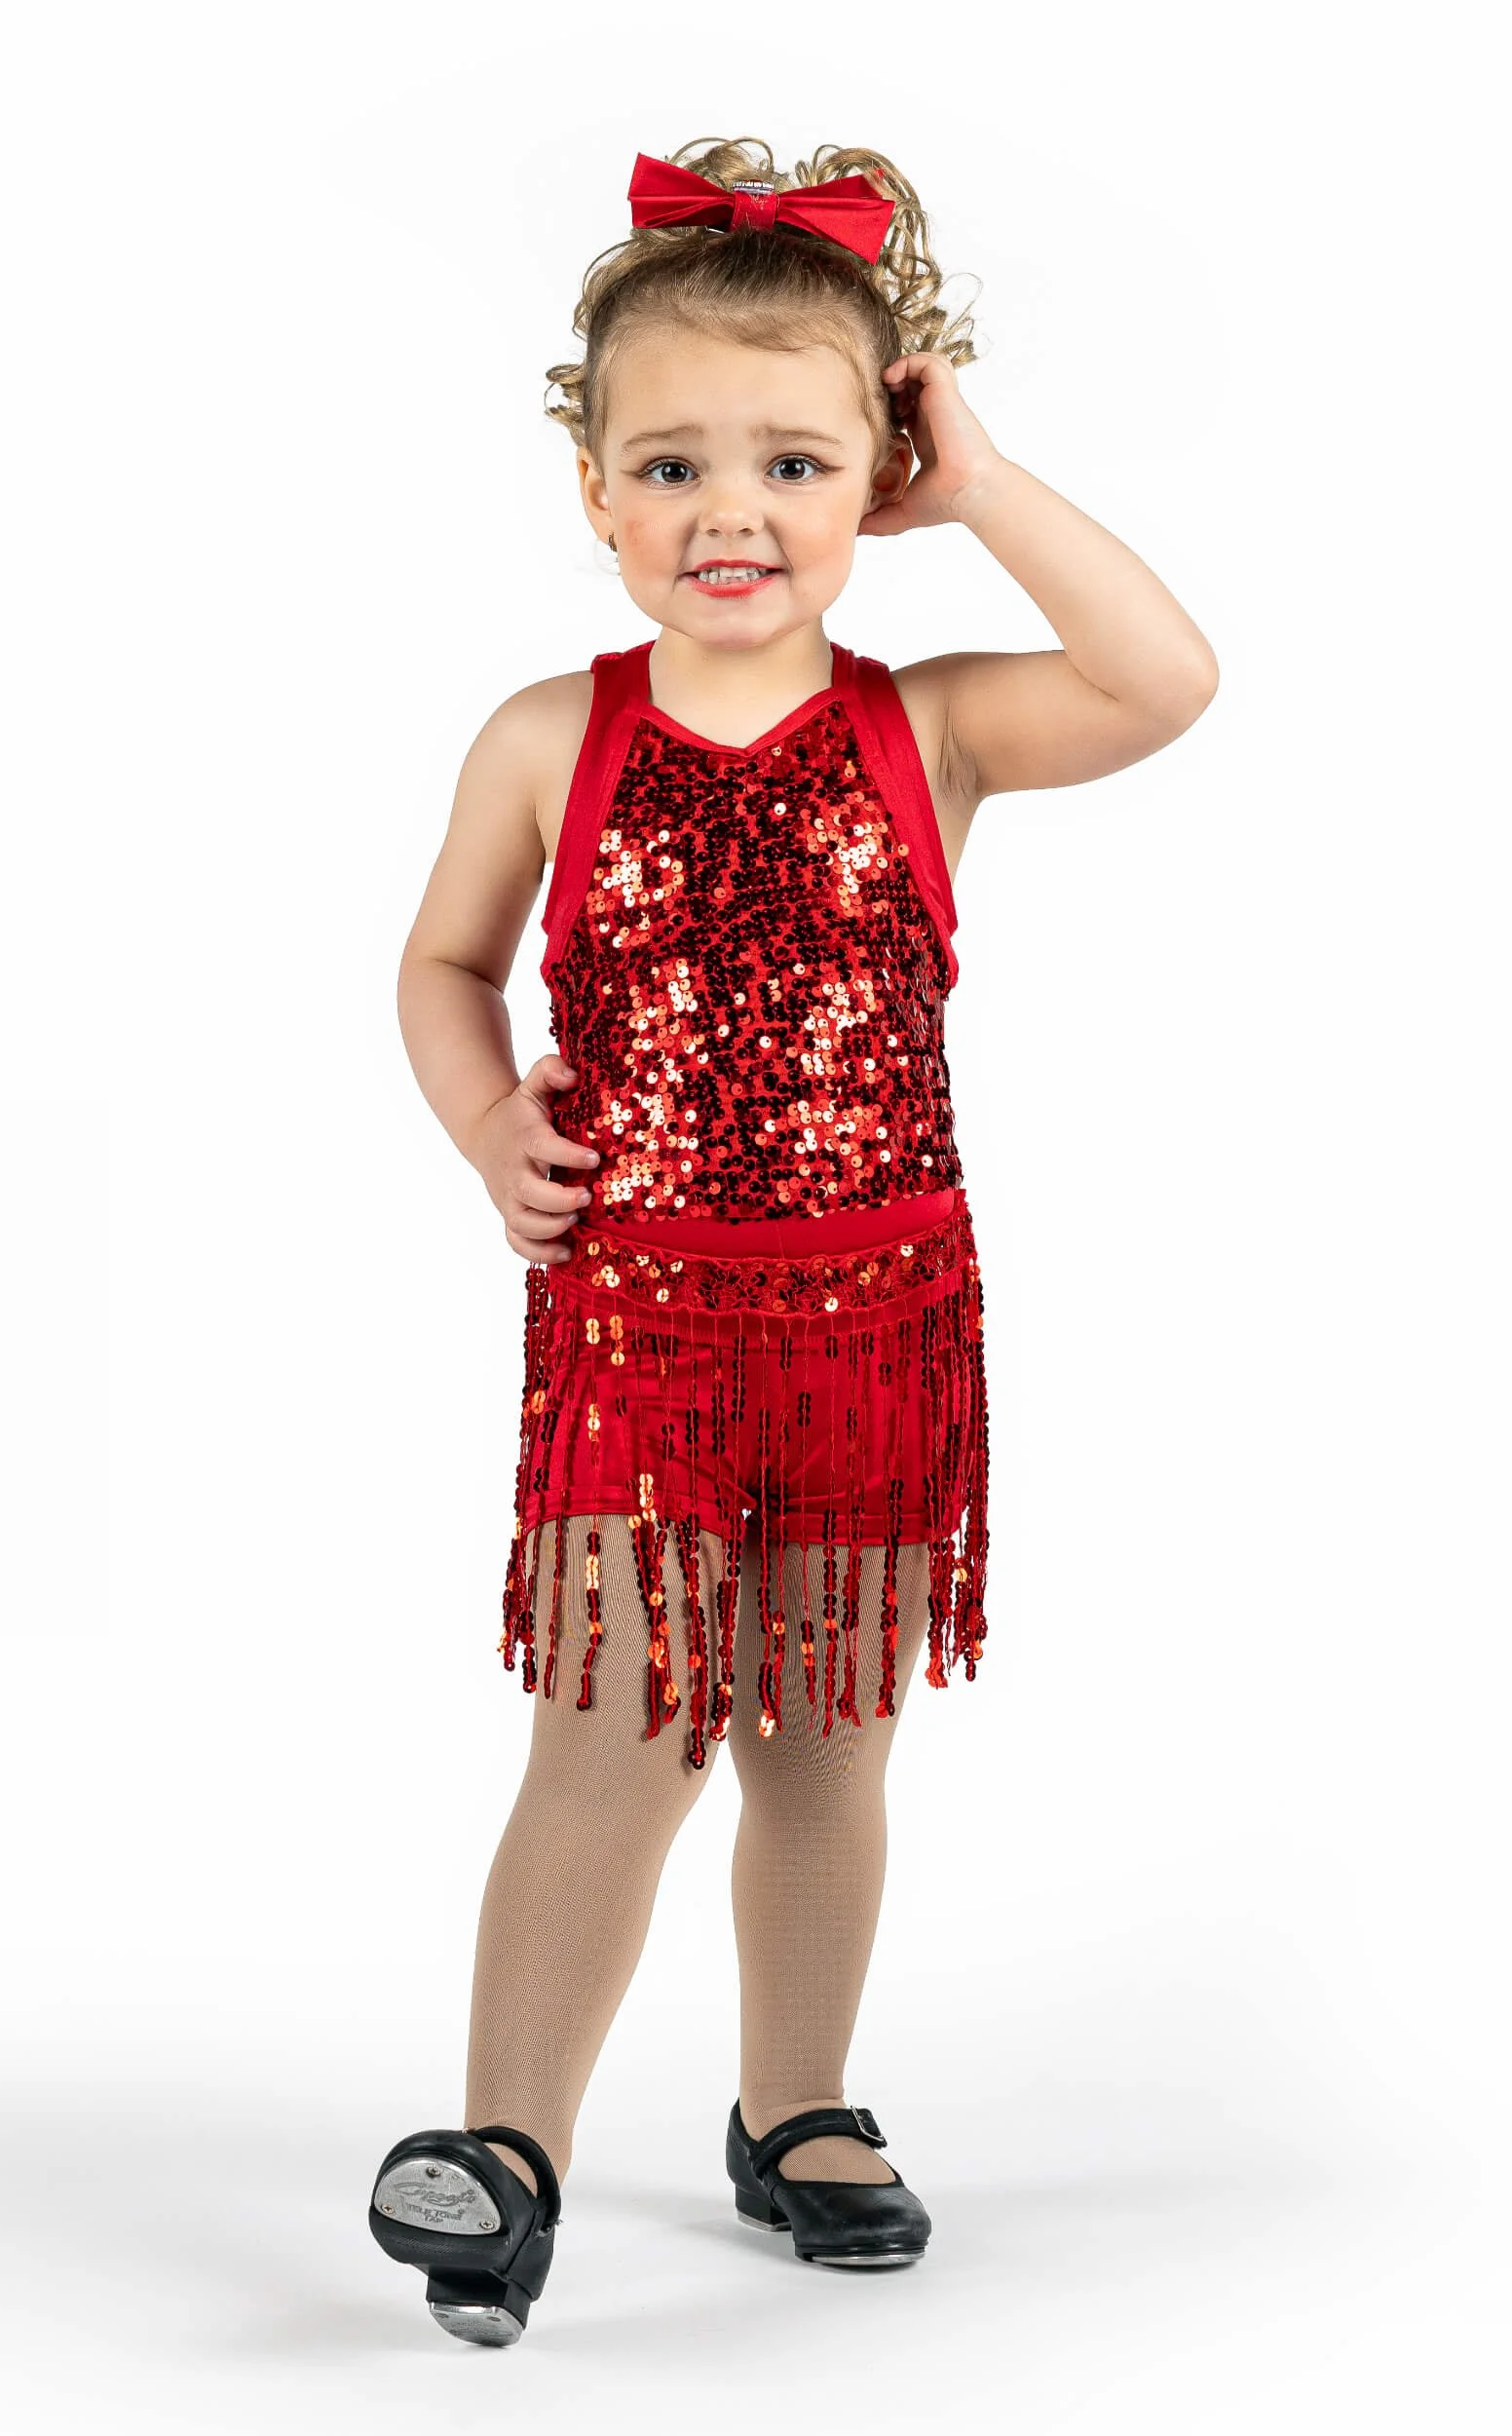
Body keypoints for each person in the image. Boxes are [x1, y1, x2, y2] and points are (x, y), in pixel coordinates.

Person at [368, 137, 1218, 2345]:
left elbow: (1163, 678)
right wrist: (486, 1120)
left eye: (794, 461)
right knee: (609, 1739)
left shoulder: (925, 727)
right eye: (670, 464)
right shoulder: (550, 737)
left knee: (821, 1747)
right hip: (638, 1327)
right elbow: (444, 964)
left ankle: (798, 2104)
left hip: (871, 1331)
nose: (727, 509)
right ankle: (505, 2152)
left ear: (878, 475)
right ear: (593, 490)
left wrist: (989, 487)